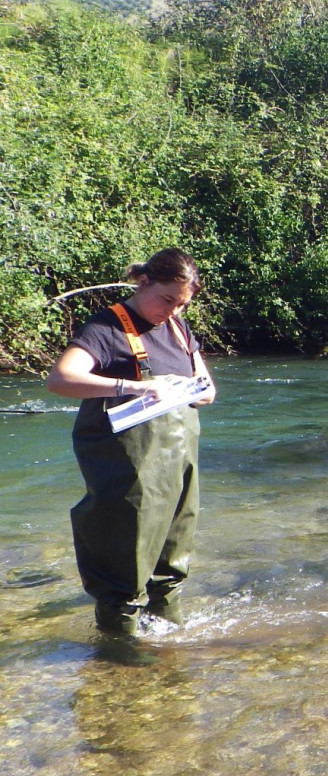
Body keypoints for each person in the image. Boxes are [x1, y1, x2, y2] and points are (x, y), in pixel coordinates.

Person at [45, 248, 217, 634]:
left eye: (182, 304)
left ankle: (168, 648)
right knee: (123, 566)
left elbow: (207, 392)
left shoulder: (178, 328)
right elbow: (59, 380)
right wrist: (133, 386)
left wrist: (191, 390)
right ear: (143, 283)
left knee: (171, 562)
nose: (172, 311)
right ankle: (118, 661)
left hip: (178, 464)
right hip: (127, 471)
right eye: (167, 299)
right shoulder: (106, 328)